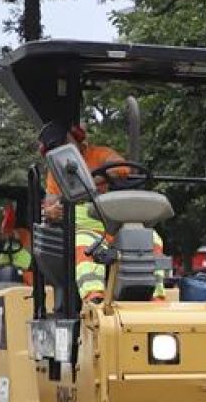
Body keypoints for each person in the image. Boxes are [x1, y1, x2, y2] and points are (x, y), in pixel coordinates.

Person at [41, 125, 165, 305]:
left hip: (118, 225)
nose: (64, 148)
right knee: (85, 245)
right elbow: (50, 204)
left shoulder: (99, 154)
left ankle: (155, 297)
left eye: (66, 142)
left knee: (152, 239)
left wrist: (90, 181)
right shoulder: (55, 172)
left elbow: (122, 168)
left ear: (76, 138)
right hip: (85, 229)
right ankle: (94, 298)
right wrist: (50, 212)